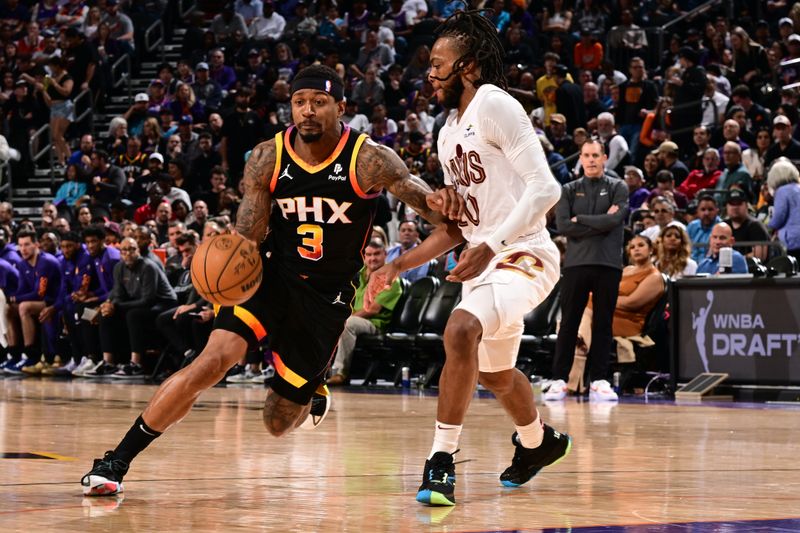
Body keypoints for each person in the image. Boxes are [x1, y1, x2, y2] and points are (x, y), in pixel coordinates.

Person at [80, 64, 462, 497]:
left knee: (278, 423)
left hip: (325, 297)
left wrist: (400, 261)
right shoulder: (268, 156)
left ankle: (310, 388)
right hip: (269, 276)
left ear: (341, 108)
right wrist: (225, 274)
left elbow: (450, 225)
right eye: (300, 102)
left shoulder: (370, 158)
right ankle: (117, 460)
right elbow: (247, 236)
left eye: (319, 102)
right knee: (211, 362)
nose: (308, 111)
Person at [367, 11, 570, 507]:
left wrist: (491, 245)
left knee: (459, 331)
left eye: (439, 64)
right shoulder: (446, 132)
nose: (430, 73)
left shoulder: (495, 105)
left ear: (469, 67)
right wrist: (398, 264)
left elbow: (546, 188)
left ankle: (440, 462)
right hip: (488, 260)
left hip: (526, 254)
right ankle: (539, 443)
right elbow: (458, 230)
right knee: (495, 373)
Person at [550, 140, 628, 402]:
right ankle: (559, 379)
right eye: (586, 155)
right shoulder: (568, 189)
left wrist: (580, 220)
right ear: (581, 159)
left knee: (604, 323)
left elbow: (615, 220)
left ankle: (600, 380)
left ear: (605, 157)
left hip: (608, 264)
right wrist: (601, 222)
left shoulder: (618, 186)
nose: (591, 160)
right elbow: (563, 226)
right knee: (569, 323)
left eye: (596, 155)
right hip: (575, 265)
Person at [565, 235, 664, 395]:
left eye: (641, 245)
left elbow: (632, 302)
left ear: (651, 249)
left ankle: (573, 378)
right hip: (607, 314)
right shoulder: (626, 270)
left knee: (582, 310)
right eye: (632, 247)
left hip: (629, 322)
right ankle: (579, 341)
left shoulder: (654, 276)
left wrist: (602, 299)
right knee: (585, 311)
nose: (636, 249)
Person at [327, 240, 402, 386]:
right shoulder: (358, 274)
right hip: (354, 317)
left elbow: (373, 309)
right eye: (368, 254)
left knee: (347, 323)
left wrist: (344, 318)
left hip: (374, 323)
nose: (372, 258)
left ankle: (339, 373)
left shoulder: (391, 279)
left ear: (385, 254)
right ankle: (317, 371)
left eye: (377, 254)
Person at [767, 158, 800, 260]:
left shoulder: (782, 191)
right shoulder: (798, 187)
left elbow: (779, 217)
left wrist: (767, 226)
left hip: (794, 240)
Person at [724, 189, 770, 260]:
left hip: (752, 269)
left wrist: (734, 261)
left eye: (739, 203)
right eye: (732, 203)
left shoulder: (756, 226)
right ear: (726, 206)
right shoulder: (723, 226)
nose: (735, 207)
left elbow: (760, 256)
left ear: (746, 205)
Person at [687, 194, 722, 262]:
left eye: (710, 209)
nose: (706, 213)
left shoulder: (721, 227)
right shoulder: (692, 226)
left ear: (717, 211)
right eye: (703, 209)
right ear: (697, 211)